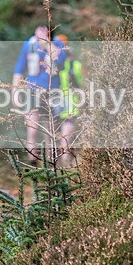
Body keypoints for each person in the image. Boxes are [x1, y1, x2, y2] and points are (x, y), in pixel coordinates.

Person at [12, 25, 66, 161]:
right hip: (32, 91)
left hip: (52, 92)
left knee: (50, 131)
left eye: (44, 29)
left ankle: (51, 164)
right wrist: (15, 91)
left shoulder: (58, 43)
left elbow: (59, 59)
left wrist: (45, 42)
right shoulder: (29, 44)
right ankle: (33, 163)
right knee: (32, 129)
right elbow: (19, 69)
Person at [55, 34, 84, 167]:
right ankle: (65, 163)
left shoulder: (59, 63)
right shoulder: (72, 64)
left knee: (62, 134)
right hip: (69, 102)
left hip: (61, 100)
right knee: (66, 134)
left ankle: (62, 163)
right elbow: (81, 83)